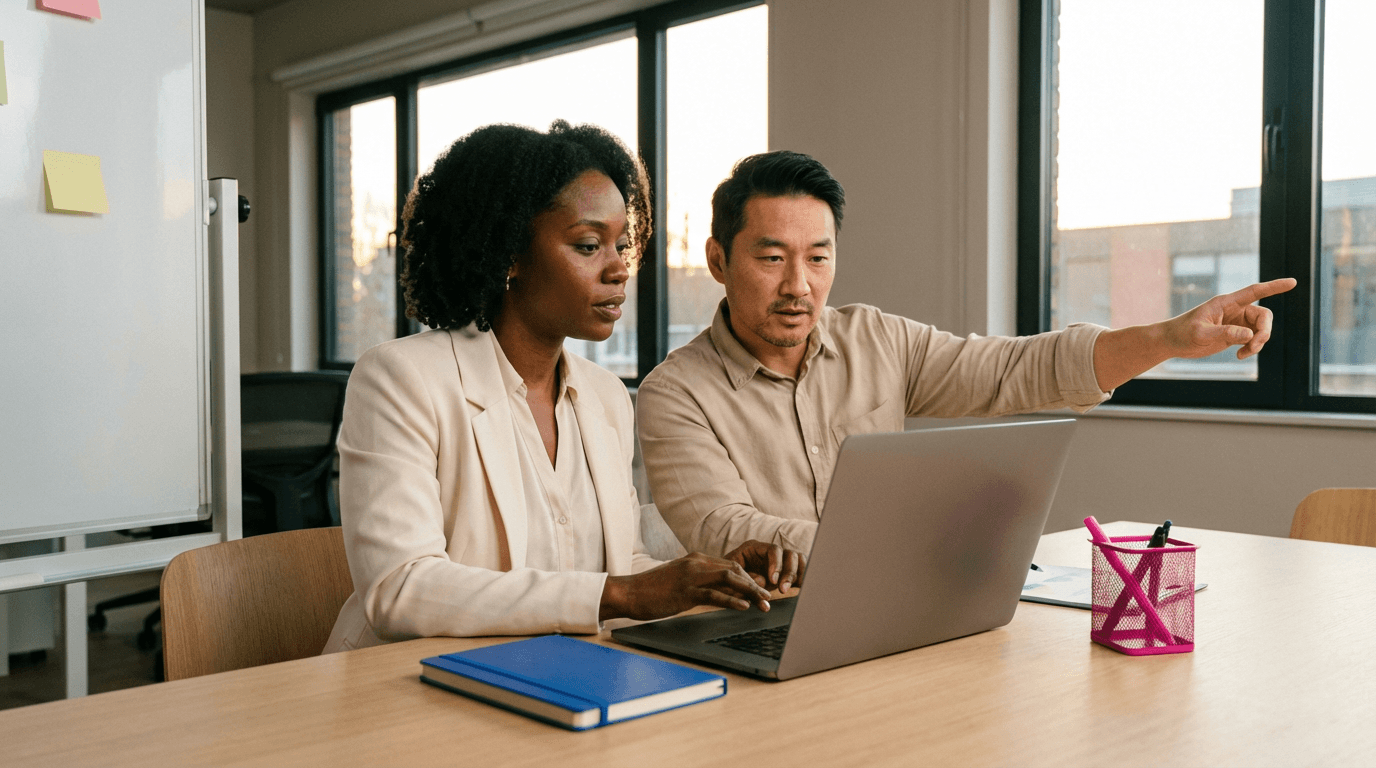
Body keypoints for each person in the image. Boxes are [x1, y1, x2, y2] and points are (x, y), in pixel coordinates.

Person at [636, 150, 1296, 557]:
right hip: (750, 629)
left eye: (818, 257)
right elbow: (723, 530)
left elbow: (1019, 371)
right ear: (718, 260)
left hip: (891, 613)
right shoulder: (676, 393)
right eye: (772, 258)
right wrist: (908, 550)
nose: (798, 285)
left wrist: (1170, 340)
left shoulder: (876, 340)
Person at [323, 123, 802, 654]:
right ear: (509, 254)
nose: (619, 268)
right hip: (410, 688)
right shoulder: (400, 379)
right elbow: (402, 589)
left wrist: (710, 577)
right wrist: (622, 592)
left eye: (621, 244)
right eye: (589, 245)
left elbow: (619, 570)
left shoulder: (605, 396)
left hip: (559, 678)